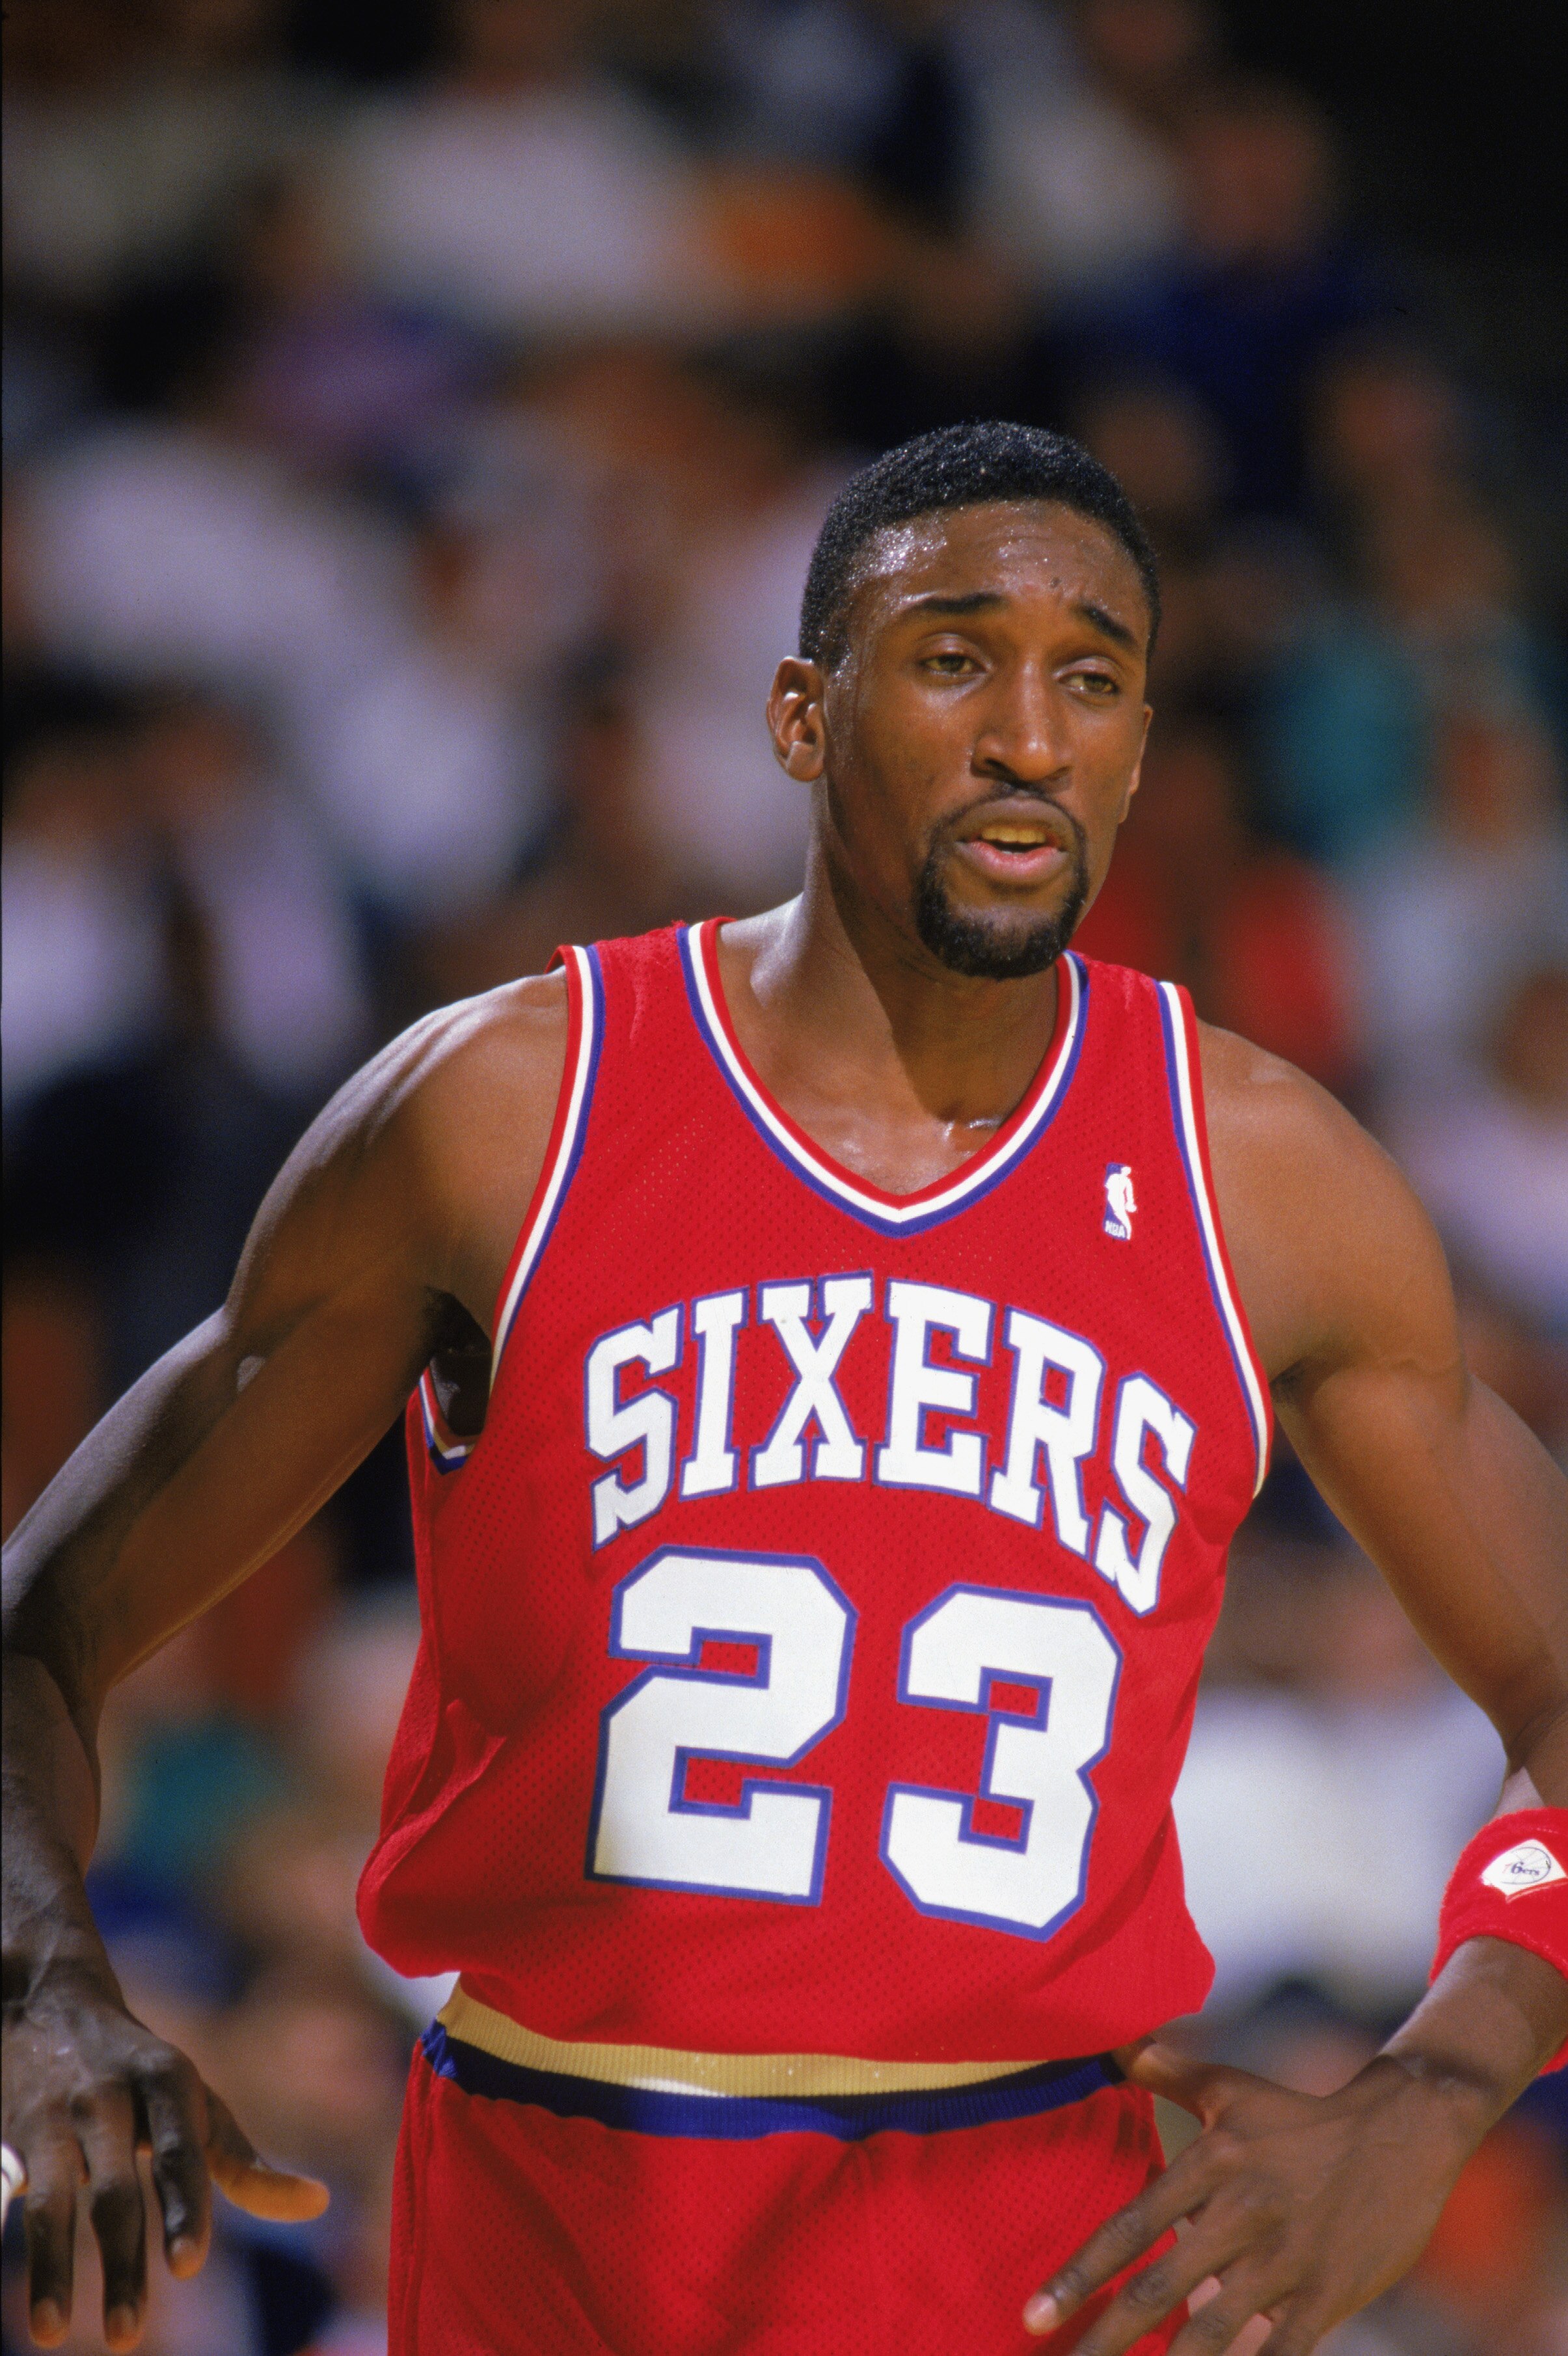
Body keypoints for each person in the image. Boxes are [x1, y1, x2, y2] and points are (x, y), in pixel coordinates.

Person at [3, 423, 1565, 2356]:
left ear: (1140, 753)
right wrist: (44, 1976)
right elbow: (39, 1628)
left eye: (1087, 680)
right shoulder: (503, 1114)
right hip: (556, 2217)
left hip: (1036, 2247)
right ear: (801, 716)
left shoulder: (1266, 1176)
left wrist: (1431, 2097)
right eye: (950, 657)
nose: (1023, 733)